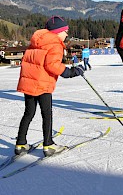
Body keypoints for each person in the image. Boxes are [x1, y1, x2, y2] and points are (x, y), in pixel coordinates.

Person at [15, 16, 85, 157]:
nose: (66, 34)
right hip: (43, 84)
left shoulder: (36, 42)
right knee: (47, 114)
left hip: (29, 82)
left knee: (29, 113)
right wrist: (71, 72)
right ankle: (49, 145)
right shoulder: (55, 44)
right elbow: (52, 65)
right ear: (57, 31)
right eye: (65, 31)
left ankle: (21, 144)